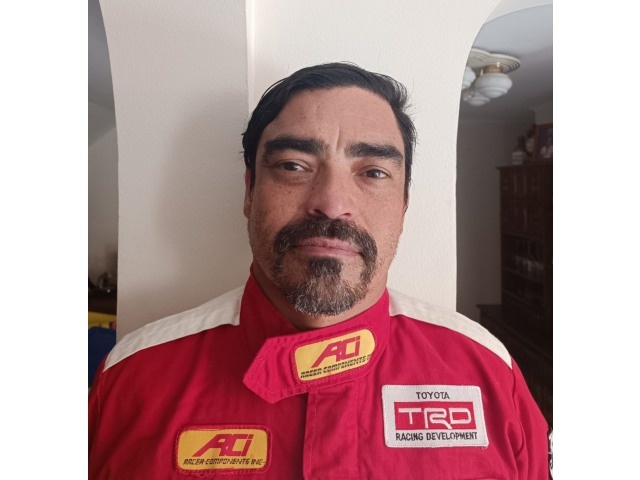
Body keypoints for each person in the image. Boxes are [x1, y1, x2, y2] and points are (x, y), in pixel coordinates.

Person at [88, 62, 551, 479]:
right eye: (293, 166)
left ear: (404, 204)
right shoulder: (130, 380)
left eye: (373, 172)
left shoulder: (488, 373)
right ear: (249, 192)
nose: (331, 203)